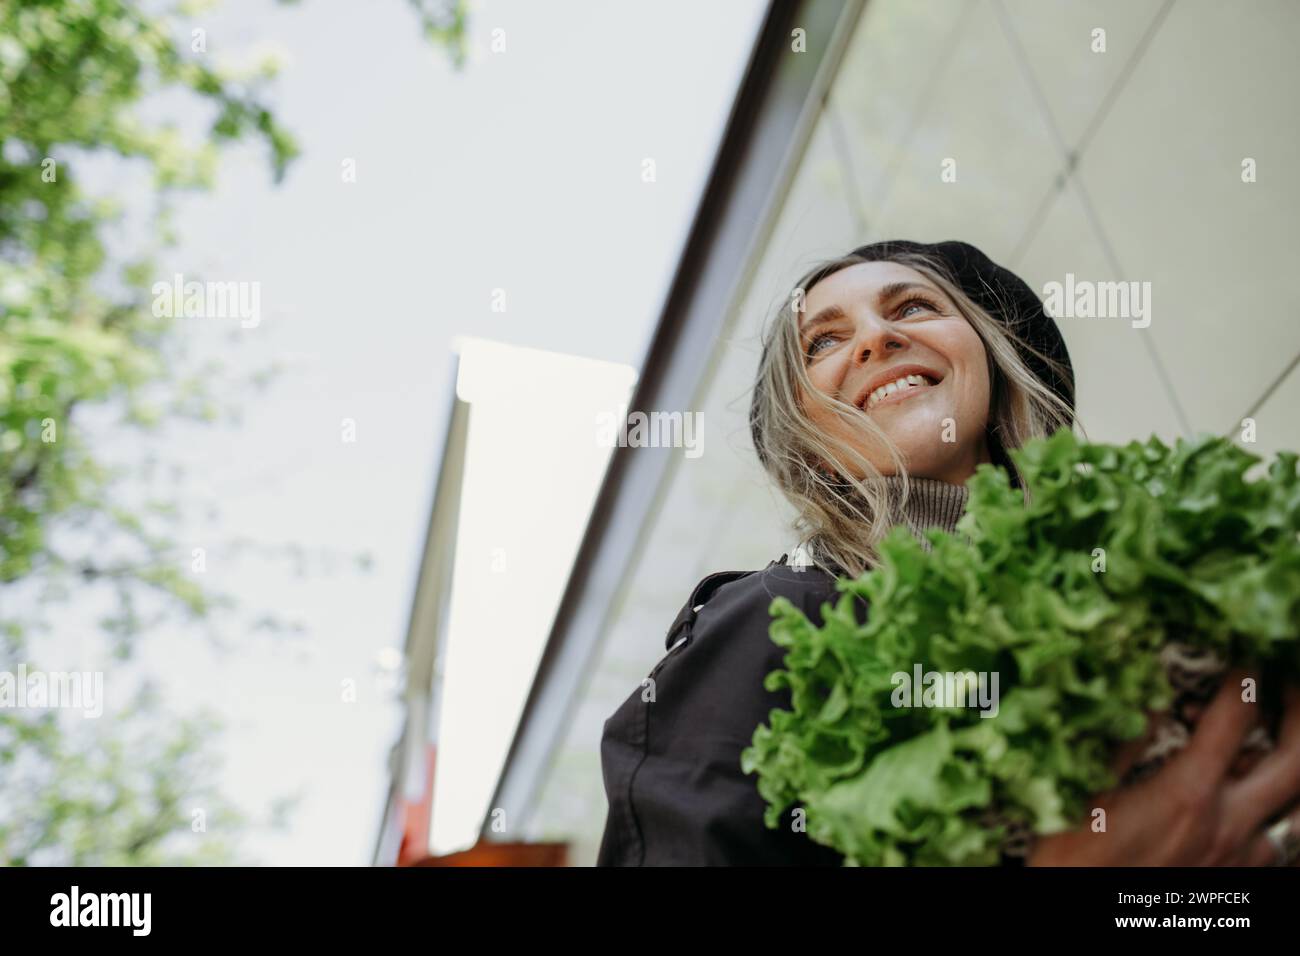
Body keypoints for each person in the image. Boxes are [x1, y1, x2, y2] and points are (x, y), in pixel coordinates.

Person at [595, 239, 1300, 867]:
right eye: (823, 341)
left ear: (992, 364)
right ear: (812, 447)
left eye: (913, 306)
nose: (877, 338)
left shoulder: (1154, 585)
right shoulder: (770, 625)